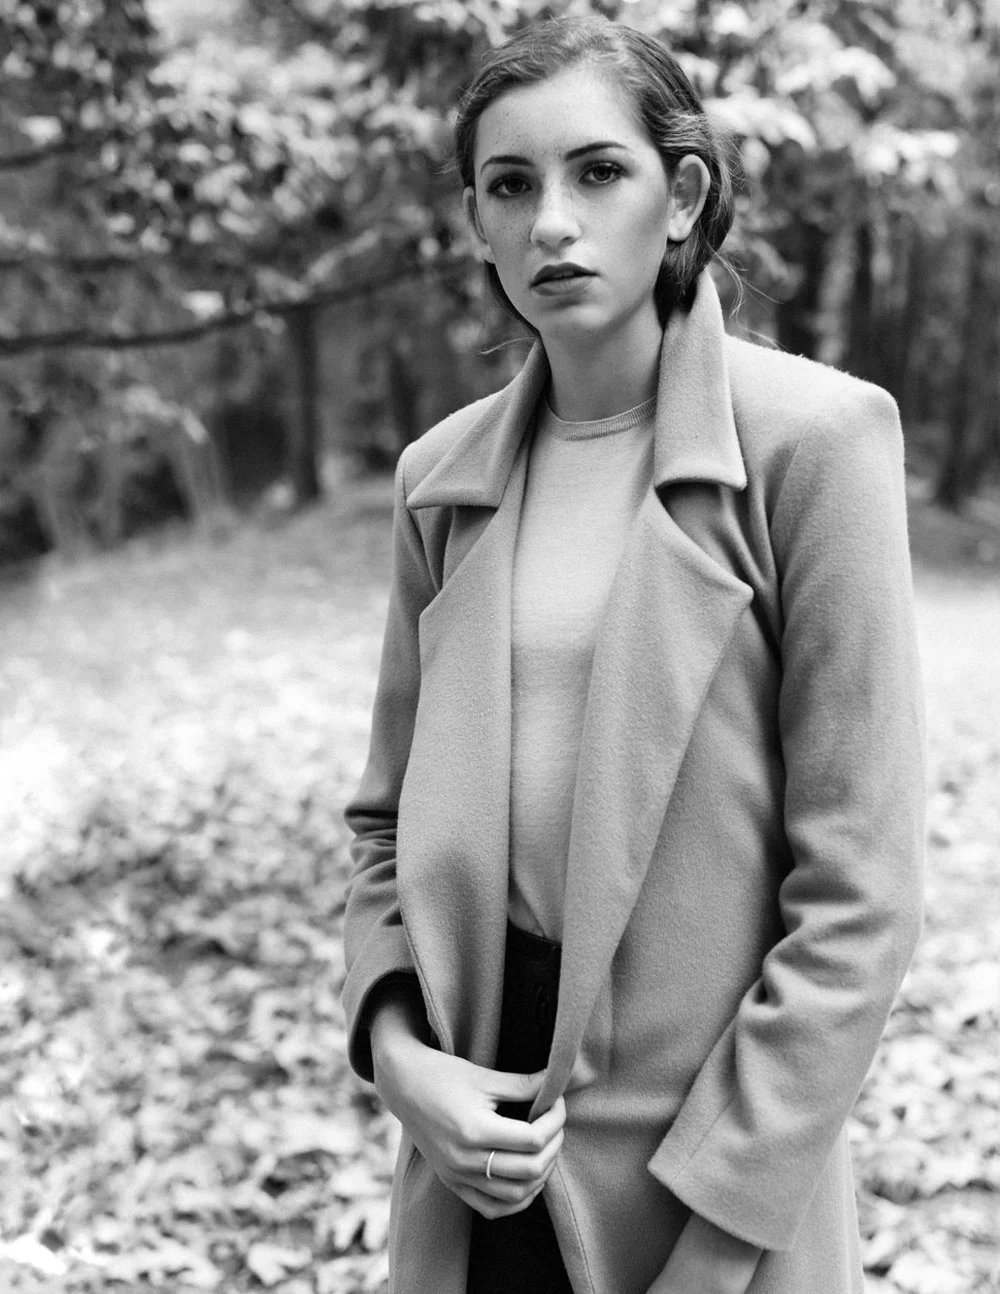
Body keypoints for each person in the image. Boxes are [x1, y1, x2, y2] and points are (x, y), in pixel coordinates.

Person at [341, 15, 925, 1294]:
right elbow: (386, 826)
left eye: (598, 171)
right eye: (510, 186)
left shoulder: (813, 444)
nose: (552, 221)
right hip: (479, 1153)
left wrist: (717, 1244)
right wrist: (398, 1058)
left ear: (684, 195)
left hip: (708, 1168)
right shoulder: (439, 481)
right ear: (476, 223)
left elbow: (860, 895)